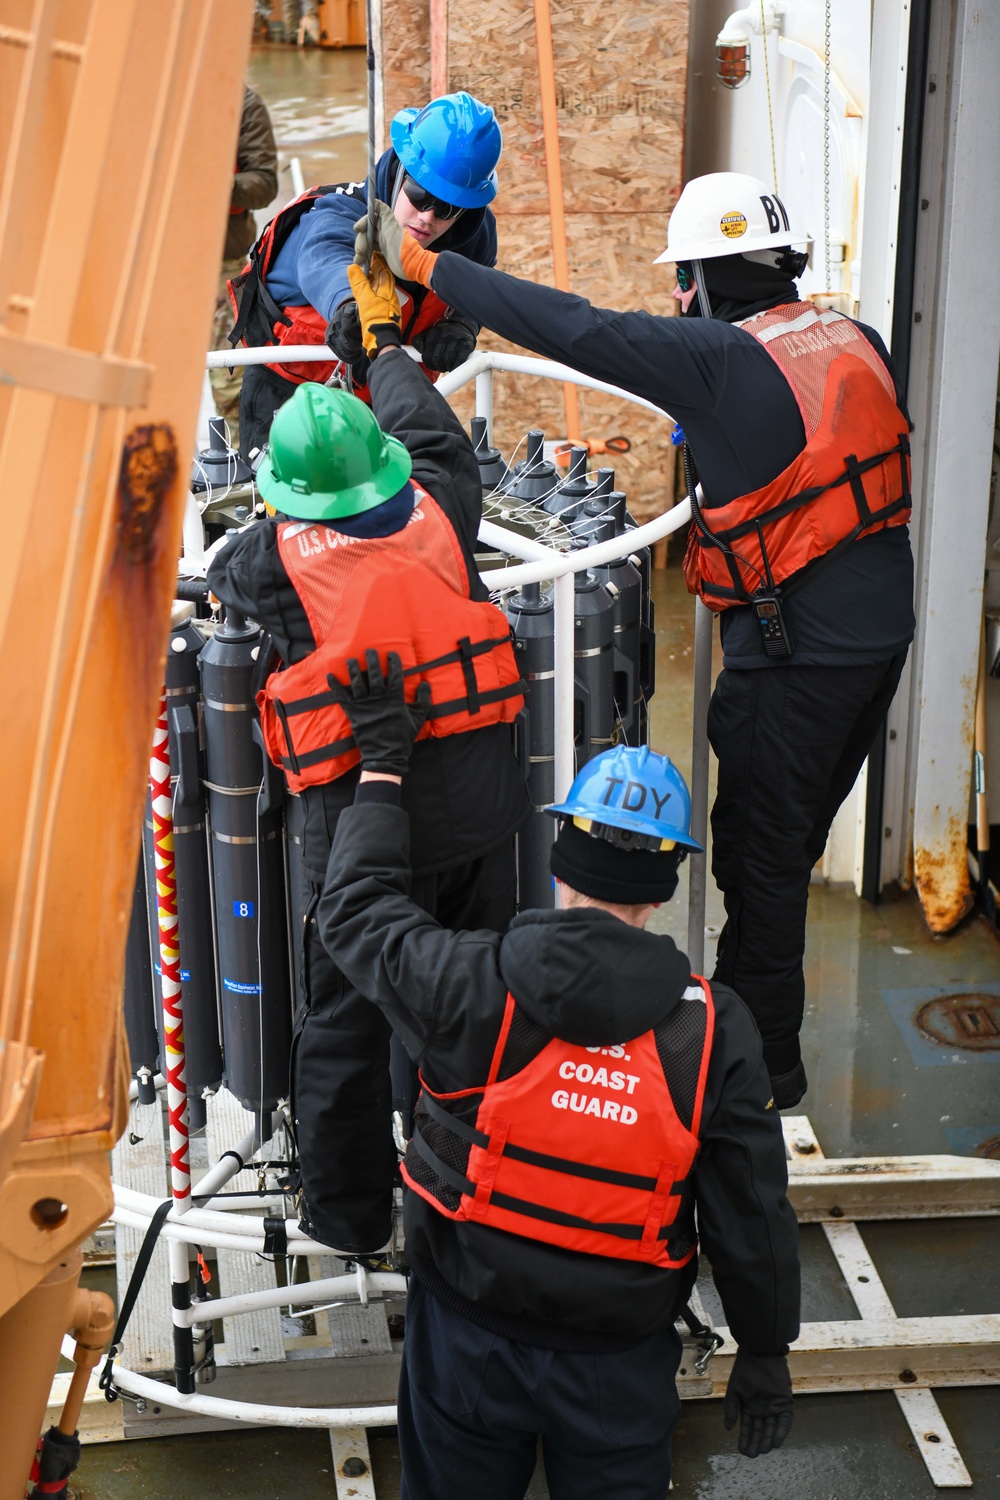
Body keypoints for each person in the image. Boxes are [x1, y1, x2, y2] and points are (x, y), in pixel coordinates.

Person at [365, 170, 915, 1111]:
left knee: (761, 867)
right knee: (785, 847)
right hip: (878, 641)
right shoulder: (850, 336)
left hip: (800, 662)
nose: (674, 299)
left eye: (680, 280)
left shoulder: (721, 358)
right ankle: (750, 1059)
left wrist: (425, 265)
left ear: (706, 280)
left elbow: (573, 325)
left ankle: (752, 1085)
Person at [316, 661, 800, 1499]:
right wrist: (763, 1352)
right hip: (617, 1367)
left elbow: (352, 912)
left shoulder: (469, 983)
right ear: (659, 891)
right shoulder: (713, 1035)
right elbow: (752, 1216)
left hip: (467, 1341)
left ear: (558, 858)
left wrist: (385, 764)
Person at [206, 255, 529, 1255]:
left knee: (344, 1022)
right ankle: (475, 1185)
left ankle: (345, 1216)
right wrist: (380, 345)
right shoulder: (442, 495)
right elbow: (424, 418)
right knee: (477, 999)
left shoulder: (265, 565)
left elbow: (220, 566)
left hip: (362, 831)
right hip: (481, 809)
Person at [227, 91, 501, 462]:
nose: (427, 216)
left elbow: (478, 288)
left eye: (448, 207)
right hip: (290, 392)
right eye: (419, 194)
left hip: (387, 398)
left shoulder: (475, 237)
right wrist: (349, 306)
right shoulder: (337, 214)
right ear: (400, 171)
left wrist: (463, 326)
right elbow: (323, 256)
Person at [209, 85, 278, 452]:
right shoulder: (144, 92)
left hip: (223, 262)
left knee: (231, 380)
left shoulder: (243, 103)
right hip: (151, 266)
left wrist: (205, 183)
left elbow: (265, 184)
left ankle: (239, 474)